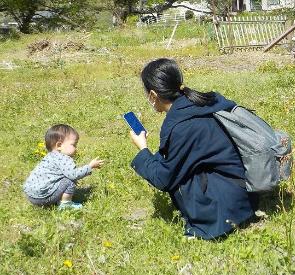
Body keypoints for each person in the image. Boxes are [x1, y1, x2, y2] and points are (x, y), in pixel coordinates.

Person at [129, 58, 254, 239]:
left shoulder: (182, 125)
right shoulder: (202, 102)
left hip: (228, 208)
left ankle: (205, 224)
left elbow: (163, 178)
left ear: (153, 95)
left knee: (180, 177)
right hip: (242, 189)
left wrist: (143, 149)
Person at [23, 124, 104, 209]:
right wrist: (90, 166)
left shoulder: (49, 157)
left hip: (31, 196)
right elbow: (74, 174)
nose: (76, 148)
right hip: (43, 198)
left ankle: (57, 198)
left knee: (62, 178)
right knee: (69, 180)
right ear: (59, 146)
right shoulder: (64, 158)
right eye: (74, 145)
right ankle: (65, 204)